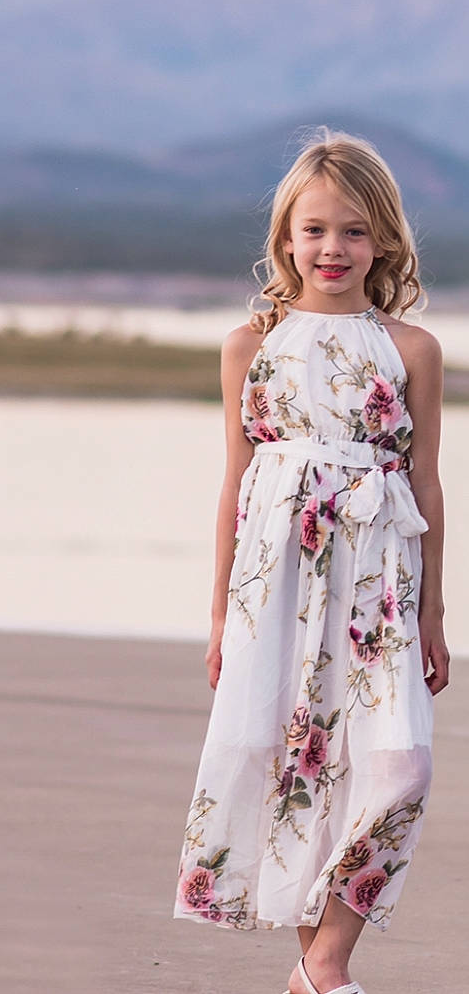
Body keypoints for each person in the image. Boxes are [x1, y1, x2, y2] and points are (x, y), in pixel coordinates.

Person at [172, 128, 450, 994]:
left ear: (386, 242)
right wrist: (220, 615)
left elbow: (428, 486)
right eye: (316, 229)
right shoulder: (248, 345)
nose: (335, 248)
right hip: (273, 582)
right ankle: (324, 975)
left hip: (376, 587)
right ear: (286, 240)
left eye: (356, 231)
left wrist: (435, 610)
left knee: (399, 763)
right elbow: (234, 483)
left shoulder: (411, 351)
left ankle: (316, 970)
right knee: (296, 761)